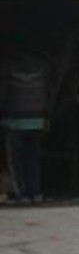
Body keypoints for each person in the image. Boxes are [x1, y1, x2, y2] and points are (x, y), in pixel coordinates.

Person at [2, 47, 51, 204]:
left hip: (14, 121)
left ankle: (21, 194)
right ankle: (36, 192)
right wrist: (47, 116)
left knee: (16, 161)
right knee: (33, 159)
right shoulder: (42, 67)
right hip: (37, 120)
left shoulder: (7, 67)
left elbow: (2, 94)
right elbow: (49, 92)